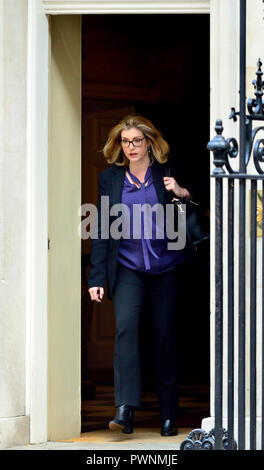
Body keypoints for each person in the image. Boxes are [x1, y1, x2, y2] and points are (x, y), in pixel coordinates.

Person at [87, 114, 191, 436]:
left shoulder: (167, 172)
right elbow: (103, 228)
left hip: (165, 268)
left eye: (136, 140)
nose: (130, 147)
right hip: (128, 268)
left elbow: (187, 220)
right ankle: (125, 408)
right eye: (125, 141)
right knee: (126, 331)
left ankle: (169, 415)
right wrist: (96, 278)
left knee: (164, 339)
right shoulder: (111, 180)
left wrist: (182, 195)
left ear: (149, 142)